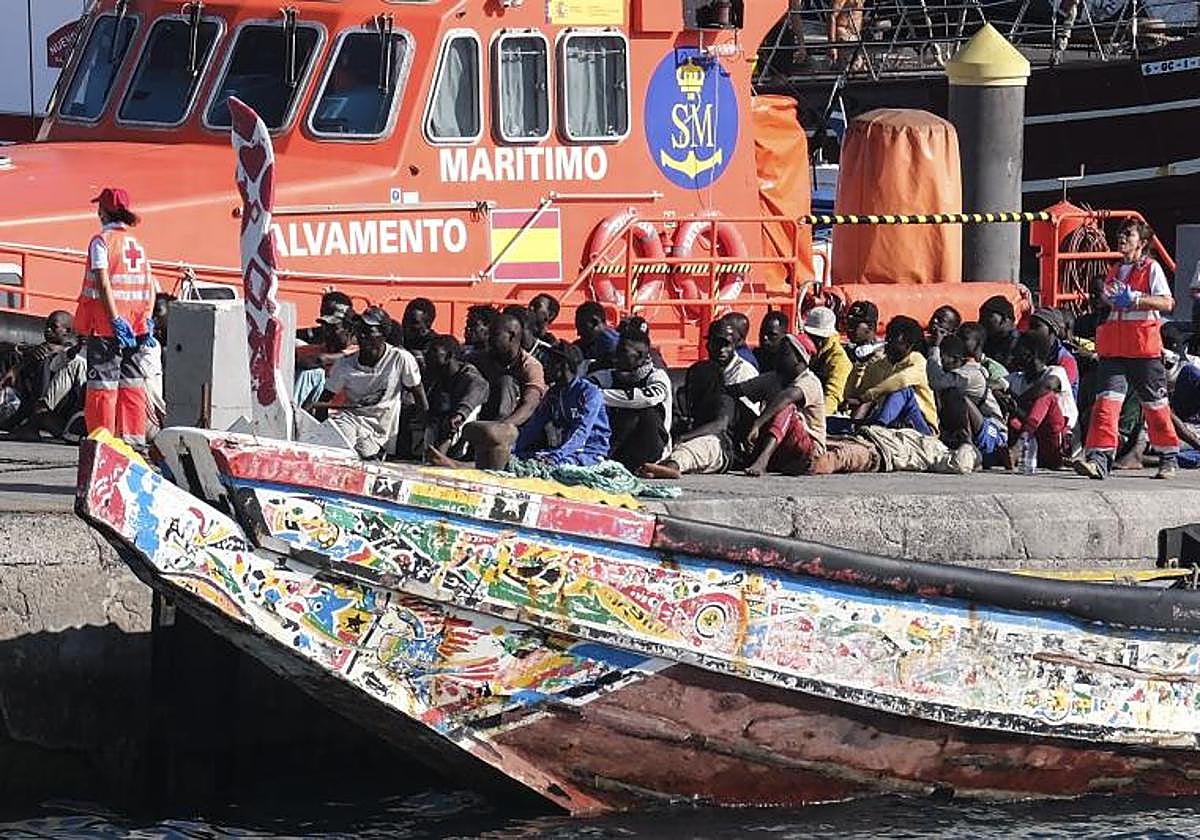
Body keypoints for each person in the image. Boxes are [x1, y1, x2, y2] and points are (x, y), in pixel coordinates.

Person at [1076, 220, 1180, 480]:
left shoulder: (1152, 269)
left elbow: (1167, 303)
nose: (1122, 237)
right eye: (1121, 233)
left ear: (1142, 242)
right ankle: (1099, 460)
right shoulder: (1115, 270)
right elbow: (1111, 306)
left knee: (1155, 406)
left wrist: (1135, 299)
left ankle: (1168, 457)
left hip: (1143, 350)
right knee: (1105, 405)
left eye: (1128, 234)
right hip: (1115, 352)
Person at [76, 187, 158, 447]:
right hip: (136, 329)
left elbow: (102, 283)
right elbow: (151, 284)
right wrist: (147, 320)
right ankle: (133, 442)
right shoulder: (136, 245)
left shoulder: (101, 242)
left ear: (103, 211)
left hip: (107, 328)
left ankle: (103, 444)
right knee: (132, 383)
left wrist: (114, 319)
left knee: (102, 386)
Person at [314, 307, 425, 459]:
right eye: (360, 330)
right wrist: (322, 432)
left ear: (383, 334)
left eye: (368, 330)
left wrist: (420, 440)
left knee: (366, 455)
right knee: (340, 440)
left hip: (380, 433)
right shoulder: (344, 364)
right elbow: (323, 402)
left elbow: (420, 399)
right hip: (350, 420)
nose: (362, 335)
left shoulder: (400, 359)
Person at [735, 333, 826, 476]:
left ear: (799, 358)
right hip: (782, 447)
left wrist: (758, 423)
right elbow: (738, 390)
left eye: (784, 353)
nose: (777, 357)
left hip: (808, 450)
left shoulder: (810, 381)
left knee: (786, 407)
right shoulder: (775, 377)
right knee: (736, 405)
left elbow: (787, 397)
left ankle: (763, 460)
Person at [589, 325, 673, 470]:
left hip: (652, 447)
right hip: (620, 447)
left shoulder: (657, 376)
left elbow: (647, 398)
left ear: (640, 356)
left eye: (623, 352)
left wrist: (599, 395)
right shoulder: (610, 375)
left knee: (644, 412)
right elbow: (584, 389)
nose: (616, 356)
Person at [513, 341, 610, 466]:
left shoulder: (589, 393)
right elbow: (533, 427)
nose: (544, 367)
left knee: (555, 467)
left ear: (562, 365)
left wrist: (555, 457)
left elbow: (581, 431)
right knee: (525, 459)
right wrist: (513, 449)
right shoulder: (554, 394)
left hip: (590, 452)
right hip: (563, 451)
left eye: (549, 363)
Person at [641, 359, 739, 478]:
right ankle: (659, 469)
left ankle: (670, 468)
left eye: (696, 381)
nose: (691, 385)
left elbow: (719, 425)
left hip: (720, 447)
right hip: (699, 452)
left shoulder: (724, 399)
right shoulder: (693, 403)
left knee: (693, 448)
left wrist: (684, 437)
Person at [846, 315, 938, 435]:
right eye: (888, 337)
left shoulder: (917, 360)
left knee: (903, 391)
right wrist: (860, 366)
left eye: (893, 340)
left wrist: (867, 396)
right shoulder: (883, 364)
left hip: (921, 426)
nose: (888, 343)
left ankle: (878, 429)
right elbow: (856, 393)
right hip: (892, 421)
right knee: (832, 422)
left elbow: (901, 380)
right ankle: (858, 429)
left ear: (908, 345)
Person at [927, 332, 1006, 466]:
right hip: (973, 429)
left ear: (956, 359)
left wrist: (935, 348)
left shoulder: (969, 373)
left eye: (943, 358)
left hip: (993, 432)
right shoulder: (958, 370)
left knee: (954, 394)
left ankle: (968, 444)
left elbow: (936, 382)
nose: (940, 363)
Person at [1008, 330, 1077, 470]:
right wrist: (1001, 396)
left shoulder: (1056, 372)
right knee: (1011, 417)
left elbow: (1048, 385)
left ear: (1030, 354)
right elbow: (994, 385)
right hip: (1033, 449)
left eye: (1018, 348)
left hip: (1056, 443)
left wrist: (1018, 402)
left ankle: (1021, 444)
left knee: (1047, 397)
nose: (1013, 352)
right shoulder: (1017, 378)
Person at [475, 311, 547, 427]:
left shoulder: (530, 366)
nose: (489, 339)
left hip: (515, 426)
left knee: (506, 381)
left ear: (511, 336)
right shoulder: (482, 359)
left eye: (495, 334)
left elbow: (530, 404)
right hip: (484, 418)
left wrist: (501, 427)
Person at [423, 334, 489, 459]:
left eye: (433, 352)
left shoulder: (471, 378)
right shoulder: (434, 376)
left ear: (448, 356)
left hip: (463, 427)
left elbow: (471, 400)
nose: (428, 356)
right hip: (439, 425)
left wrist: (459, 414)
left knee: (461, 417)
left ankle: (439, 457)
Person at [295, 300, 356, 407]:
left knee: (312, 374)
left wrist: (297, 361)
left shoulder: (356, 351)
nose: (328, 332)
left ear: (349, 329)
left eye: (334, 328)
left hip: (339, 410)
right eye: (326, 327)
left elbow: (321, 359)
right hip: (314, 408)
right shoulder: (317, 349)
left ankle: (291, 413)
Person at [802, 306, 851, 415]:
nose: (816, 342)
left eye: (820, 338)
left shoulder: (839, 360)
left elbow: (832, 395)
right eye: (812, 336)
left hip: (828, 413)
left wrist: (817, 418)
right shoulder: (802, 349)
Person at [1027, 307, 1080, 399]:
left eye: (1036, 327)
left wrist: (1020, 400)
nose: (1030, 332)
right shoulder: (1029, 353)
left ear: (1052, 330)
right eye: (1030, 327)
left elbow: (1049, 388)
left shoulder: (1066, 360)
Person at [957, 321, 1009, 391]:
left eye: (964, 339)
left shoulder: (993, 369)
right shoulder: (953, 363)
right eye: (957, 337)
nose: (958, 342)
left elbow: (1004, 384)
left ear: (978, 342)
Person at [706, 320, 759, 387]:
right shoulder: (704, 370)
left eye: (726, 345)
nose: (721, 350)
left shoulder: (745, 373)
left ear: (734, 346)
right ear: (708, 345)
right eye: (717, 344)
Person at [574, 301, 620, 370]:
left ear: (595, 322)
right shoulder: (580, 346)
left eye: (582, 327)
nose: (578, 333)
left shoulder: (616, 348)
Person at [978, 295, 1020, 370]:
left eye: (986, 318)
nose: (981, 322)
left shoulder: (1020, 343)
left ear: (1003, 319)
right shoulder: (988, 340)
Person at [399, 297, 438, 362]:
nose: (407, 325)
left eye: (414, 322)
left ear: (428, 324)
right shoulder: (400, 339)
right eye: (405, 319)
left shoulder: (434, 346)